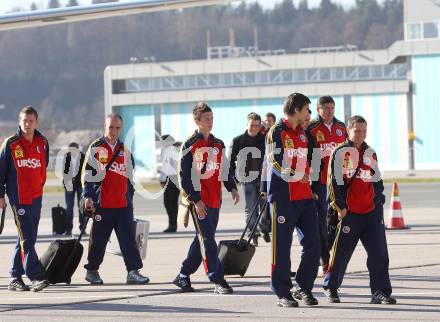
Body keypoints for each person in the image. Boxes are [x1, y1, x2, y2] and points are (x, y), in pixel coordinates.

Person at [324, 115, 396, 305]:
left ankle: (380, 292)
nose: (361, 134)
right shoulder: (339, 153)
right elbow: (333, 183)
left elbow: (377, 179)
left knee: (379, 254)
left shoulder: (370, 152)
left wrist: (378, 198)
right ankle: (331, 288)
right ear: (348, 131)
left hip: (371, 213)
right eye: (357, 131)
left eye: (364, 131)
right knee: (341, 254)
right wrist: (341, 207)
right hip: (350, 213)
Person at [173, 102, 240, 294]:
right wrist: (196, 199)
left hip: (214, 199)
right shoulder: (189, 144)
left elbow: (224, 169)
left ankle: (183, 275)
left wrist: (232, 188)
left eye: (212, 118)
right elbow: (184, 176)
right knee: (208, 240)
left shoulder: (218, 143)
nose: (210, 122)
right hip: (198, 202)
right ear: (197, 121)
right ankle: (217, 279)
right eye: (206, 119)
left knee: (202, 238)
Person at [263, 93, 320, 307]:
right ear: (296, 109)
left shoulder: (303, 134)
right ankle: (282, 292)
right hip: (283, 198)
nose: (308, 113)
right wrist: (293, 173)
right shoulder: (275, 132)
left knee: (313, 244)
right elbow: (273, 161)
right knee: (282, 248)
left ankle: (303, 288)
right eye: (306, 109)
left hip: (305, 197)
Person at [82, 113, 149, 285]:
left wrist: (129, 198)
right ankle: (92, 271)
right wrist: (88, 197)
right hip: (102, 204)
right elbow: (87, 175)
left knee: (128, 240)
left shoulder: (125, 150)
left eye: (118, 127)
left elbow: (130, 177)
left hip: (122, 205)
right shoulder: (96, 147)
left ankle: (133, 271)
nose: (114, 131)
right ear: (104, 126)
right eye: (111, 127)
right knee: (98, 240)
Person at [0, 106, 50, 292]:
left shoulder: (43, 142)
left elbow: (42, 169)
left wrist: (38, 186)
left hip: (36, 198)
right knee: (27, 237)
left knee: (25, 238)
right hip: (18, 199)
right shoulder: (11, 144)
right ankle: (36, 276)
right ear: (19, 122)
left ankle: (15, 276)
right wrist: (0, 195)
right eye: (24, 121)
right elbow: (0, 172)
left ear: (36, 122)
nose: (27, 124)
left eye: (31, 121)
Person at [306, 96, 346, 274]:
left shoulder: (341, 127)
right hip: (320, 182)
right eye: (326, 108)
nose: (329, 111)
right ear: (318, 109)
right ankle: (324, 259)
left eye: (332, 108)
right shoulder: (312, 128)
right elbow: (308, 156)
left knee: (337, 220)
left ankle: (327, 251)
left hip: (339, 181)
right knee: (321, 222)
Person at [229, 112, 269, 246]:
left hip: (264, 179)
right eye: (252, 125)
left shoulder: (266, 140)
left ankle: (263, 227)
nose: (255, 128)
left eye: (257, 125)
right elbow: (230, 162)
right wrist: (235, 178)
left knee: (265, 209)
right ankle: (253, 234)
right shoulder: (238, 140)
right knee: (251, 210)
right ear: (247, 124)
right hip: (247, 180)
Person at [159, 135, 181, 233]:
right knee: (171, 203)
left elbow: (167, 167)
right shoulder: (173, 149)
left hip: (172, 179)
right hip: (174, 179)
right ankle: (172, 224)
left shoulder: (170, 150)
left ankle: (172, 225)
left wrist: (162, 179)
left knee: (169, 203)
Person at [63, 142, 86, 235]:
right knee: (69, 208)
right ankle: (68, 229)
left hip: (80, 184)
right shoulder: (66, 157)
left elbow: (85, 171)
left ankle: (82, 228)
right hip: (69, 185)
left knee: (81, 207)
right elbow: (64, 171)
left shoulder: (83, 156)